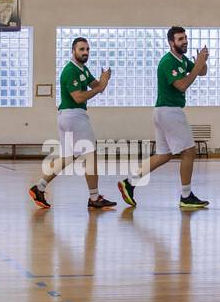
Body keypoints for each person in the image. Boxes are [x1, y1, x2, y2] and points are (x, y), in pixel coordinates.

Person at [116, 26, 209, 209]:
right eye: (180, 39)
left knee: (163, 155)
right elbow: (182, 85)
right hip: (169, 111)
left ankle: (129, 182)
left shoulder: (181, 60)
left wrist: (202, 62)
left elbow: (202, 72)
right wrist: (197, 65)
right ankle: (186, 196)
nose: (185, 41)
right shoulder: (168, 62)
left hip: (163, 112)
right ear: (171, 42)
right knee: (189, 151)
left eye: (185, 38)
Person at [27, 37, 117, 210]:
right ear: (73, 50)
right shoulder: (70, 71)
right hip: (74, 116)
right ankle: (94, 197)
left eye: (87, 49)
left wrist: (104, 79)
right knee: (90, 156)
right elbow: (79, 97)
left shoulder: (82, 69)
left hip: (69, 117)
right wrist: (99, 87)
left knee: (68, 157)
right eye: (81, 49)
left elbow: (98, 86)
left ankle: (39, 188)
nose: (85, 52)